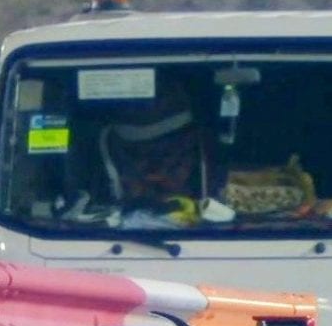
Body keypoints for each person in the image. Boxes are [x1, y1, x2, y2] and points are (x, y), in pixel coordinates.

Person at [96, 75, 235, 227]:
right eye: (135, 157)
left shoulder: (228, 197)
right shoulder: (94, 214)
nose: (153, 176)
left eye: (168, 158)